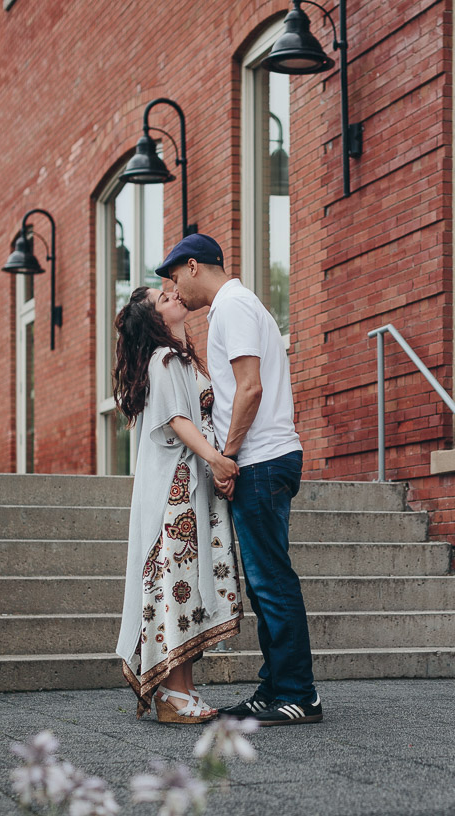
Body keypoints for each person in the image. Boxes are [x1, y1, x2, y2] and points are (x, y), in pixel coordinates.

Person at [155, 233, 322, 726]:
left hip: (262, 461)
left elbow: (249, 388)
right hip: (264, 459)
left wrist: (226, 458)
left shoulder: (232, 305)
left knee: (272, 581)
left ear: (191, 266)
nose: (174, 290)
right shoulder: (236, 306)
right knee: (265, 582)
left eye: (172, 279)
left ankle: (299, 693)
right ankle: (275, 687)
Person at [112, 283, 243, 724]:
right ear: (153, 320)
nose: (174, 296)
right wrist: (217, 461)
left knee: (184, 588)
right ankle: (172, 691)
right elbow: (179, 421)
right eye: (163, 299)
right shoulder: (163, 359)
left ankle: (181, 687)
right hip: (178, 492)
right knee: (180, 585)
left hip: (191, 486)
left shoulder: (180, 357)